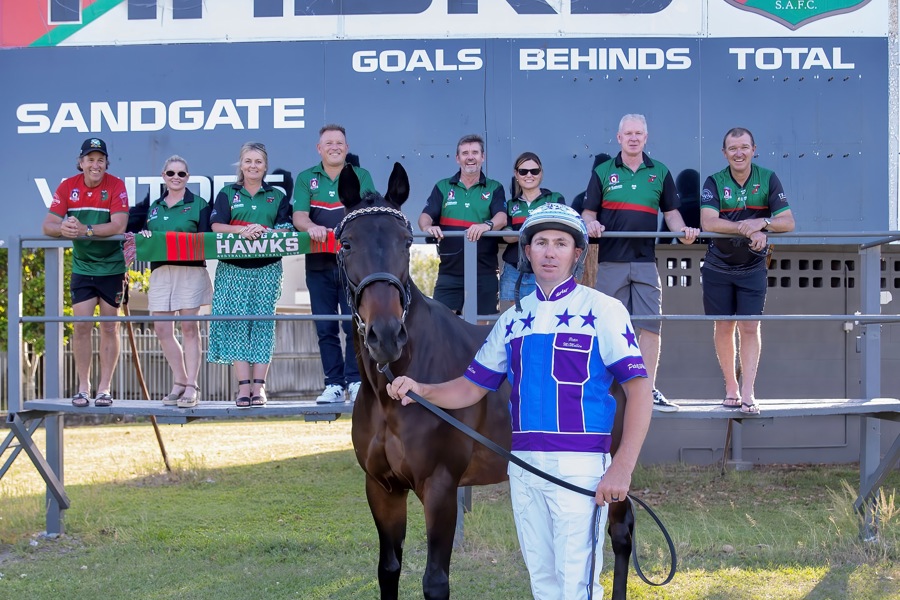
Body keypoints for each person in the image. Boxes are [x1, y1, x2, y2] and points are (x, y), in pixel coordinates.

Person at [388, 204, 652, 599]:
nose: (550, 252)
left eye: (561, 243)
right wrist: (422, 389)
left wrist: (622, 468)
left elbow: (640, 390)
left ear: (576, 253)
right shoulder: (513, 319)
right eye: (541, 243)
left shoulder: (604, 311)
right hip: (524, 467)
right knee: (542, 583)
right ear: (527, 251)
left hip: (580, 468)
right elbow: (470, 388)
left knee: (577, 586)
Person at [581, 114, 700, 412]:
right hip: (611, 261)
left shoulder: (659, 171)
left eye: (638, 134)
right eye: (628, 133)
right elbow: (588, 213)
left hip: (646, 261)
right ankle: (607, 388)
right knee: (608, 326)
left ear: (646, 138)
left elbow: (671, 214)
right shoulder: (603, 171)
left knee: (650, 325)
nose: (633, 138)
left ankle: (647, 390)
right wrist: (590, 223)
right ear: (619, 138)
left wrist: (683, 232)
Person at [700, 127, 795, 415]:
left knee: (750, 326)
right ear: (724, 153)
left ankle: (748, 391)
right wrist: (747, 228)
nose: (738, 153)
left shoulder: (768, 178)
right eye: (733, 148)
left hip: (753, 265)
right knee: (723, 326)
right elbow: (708, 222)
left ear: (754, 149)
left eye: (744, 147)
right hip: (717, 264)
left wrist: (762, 223)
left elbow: (788, 222)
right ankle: (731, 387)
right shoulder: (714, 181)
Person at [42, 138, 129, 408]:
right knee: (81, 326)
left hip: (112, 267)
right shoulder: (68, 186)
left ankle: (105, 389)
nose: (95, 165)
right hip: (83, 267)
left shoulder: (116, 185)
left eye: (100, 160)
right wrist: (63, 229)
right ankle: (83, 387)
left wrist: (85, 230)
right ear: (81, 163)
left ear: (106, 163)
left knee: (110, 326)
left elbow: (119, 225)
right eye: (90, 159)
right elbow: (48, 225)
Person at [293, 125, 376, 404]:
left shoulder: (361, 176)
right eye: (328, 143)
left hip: (353, 265)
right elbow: (299, 217)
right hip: (318, 263)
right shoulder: (306, 177)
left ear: (347, 148)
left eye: (339, 142)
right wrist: (312, 227)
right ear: (319, 149)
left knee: (354, 325)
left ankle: (355, 380)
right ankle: (333, 385)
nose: (334, 147)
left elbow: (368, 213)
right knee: (325, 327)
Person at [208, 142, 293, 407]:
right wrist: (242, 230)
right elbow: (216, 225)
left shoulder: (276, 196)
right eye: (248, 161)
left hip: (267, 269)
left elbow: (286, 229)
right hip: (232, 268)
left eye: (258, 161)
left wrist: (264, 231)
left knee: (262, 325)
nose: (253, 166)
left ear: (265, 166)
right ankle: (243, 388)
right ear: (241, 165)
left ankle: (260, 388)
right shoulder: (227, 193)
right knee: (236, 325)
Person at [137, 156, 213, 408]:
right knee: (161, 329)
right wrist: (146, 235)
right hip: (160, 271)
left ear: (187, 177)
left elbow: (205, 239)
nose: (176, 178)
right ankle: (179, 381)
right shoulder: (154, 206)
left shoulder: (199, 204)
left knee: (189, 327)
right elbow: (145, 235)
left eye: (181, 174)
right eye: (171, 173)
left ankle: (192, 385)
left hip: (190, 270)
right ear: (164, 176)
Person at [418, 134, 507, 319]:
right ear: (457, 158)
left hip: (485, 271)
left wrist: (486, 225)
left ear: (483, 157)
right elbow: (425, 217)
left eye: (475, 152)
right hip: (450, 271)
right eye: (465, 153)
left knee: (480, 329)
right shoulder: (443, 186)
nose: (470, 157)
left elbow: (502, 217)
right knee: (443, 324)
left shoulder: (494, 187)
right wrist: (427, 228)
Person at [499, 152, 565, 311]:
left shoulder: (554, 199)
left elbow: (557, 230)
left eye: (534, 171)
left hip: (545, 267)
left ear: (541, 173)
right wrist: (537, 228)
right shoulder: (510, 204)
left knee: (544, 314)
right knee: (518, 317)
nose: (529, 175)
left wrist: (521, 232)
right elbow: (507, 236)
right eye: (523, 171)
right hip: (514, 268)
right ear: (516, 174)